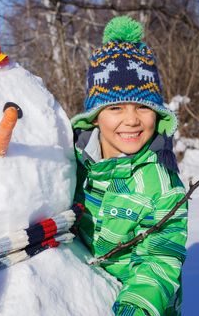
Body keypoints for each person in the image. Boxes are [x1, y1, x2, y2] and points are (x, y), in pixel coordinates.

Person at [71, 16, 187, 316]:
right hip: (80, 294)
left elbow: (158, 262)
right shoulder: (74, 163)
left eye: (143, 107)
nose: (132, 120)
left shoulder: (162, 186)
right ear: (96, 116)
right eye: (115, 107)